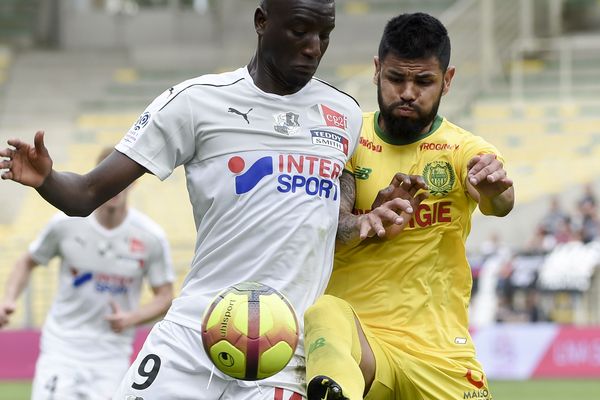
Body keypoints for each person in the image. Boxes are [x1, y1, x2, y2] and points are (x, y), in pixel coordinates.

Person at [0, 1, 413, 398]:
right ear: (261, 21)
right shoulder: (196, 103)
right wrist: (47, 179)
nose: (313, 47)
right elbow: (85, 195)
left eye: (325, 35)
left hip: (283, 350)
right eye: (300, 31)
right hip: (193, 336)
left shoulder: (343, 113)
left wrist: (364, 221)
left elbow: (333, 223)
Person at [304, 13, 515, 400]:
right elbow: (327, 231)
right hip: (363, 346)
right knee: (324, 312)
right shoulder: (346, 140)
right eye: (396, 78)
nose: (407, 92)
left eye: (423, 81)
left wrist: (492, 187)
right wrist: (367, 221)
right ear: (376, 71)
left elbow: (499, 203)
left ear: (447, 81)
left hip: (441, 354)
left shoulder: (463, 149)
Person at [0, 147, 175, 400]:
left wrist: (132, 318)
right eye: (108, 178)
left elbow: (165, 296)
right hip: (62, 347)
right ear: (96, 177)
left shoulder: (150, 237)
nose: (115, 187)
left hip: (111, 355)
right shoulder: (64, 224)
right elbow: (28, 261)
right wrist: (9, 298)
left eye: (121, 179)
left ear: (133, 182)